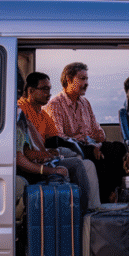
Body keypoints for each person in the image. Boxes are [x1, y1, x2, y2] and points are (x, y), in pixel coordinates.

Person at [44, 62, 129, 202]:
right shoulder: (55, 105)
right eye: (82, 79)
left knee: (118, 148)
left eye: (87, 79)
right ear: (68, 80)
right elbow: (60, 138)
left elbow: (97, 131)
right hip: (73, 148)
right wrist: (89, 143)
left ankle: (111, 193)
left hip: (91, 144)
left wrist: (97, 143)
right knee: (98, 159)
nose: (86, 83)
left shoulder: (85, 103)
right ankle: (105, 197)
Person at [18, 72, 100, 209]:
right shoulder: (21, 111)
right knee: (76, 162)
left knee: (86, 161)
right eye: (44, 89)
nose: (48, 93)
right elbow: (24, 151)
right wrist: (46, 160)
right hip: (35, 159)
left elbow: (53, 140)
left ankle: (94, 207)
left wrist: (50, 152)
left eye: (49, 89)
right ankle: (85, 211)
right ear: (31, 91)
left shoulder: (44, 116)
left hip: (43, 153)